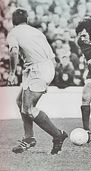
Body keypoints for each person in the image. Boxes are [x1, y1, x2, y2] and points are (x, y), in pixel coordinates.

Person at [7, 8, 68, 154]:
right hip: (44, 67)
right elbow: (52, 57)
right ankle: (29, 138)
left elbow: (14, 51)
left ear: (12, 21)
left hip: (37, 69)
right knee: (20, 102)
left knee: (28, 109)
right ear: (27, 20)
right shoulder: (37, 32)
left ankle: (58, 135)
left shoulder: (14, 33)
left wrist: (11, 73)